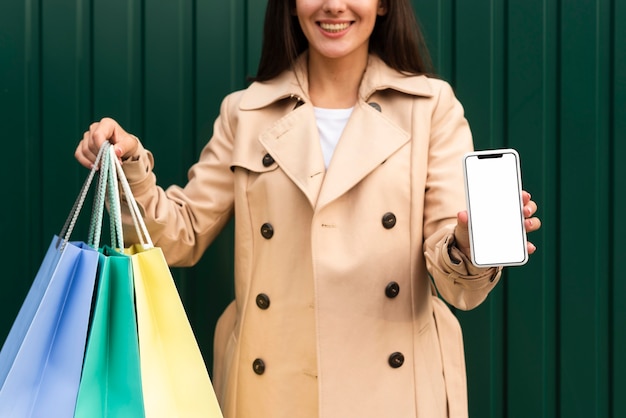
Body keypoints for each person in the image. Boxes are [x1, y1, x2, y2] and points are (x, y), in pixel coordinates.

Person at [75, 0, 541, 416]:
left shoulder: (430, 107)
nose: (334, 6)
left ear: (383, 5)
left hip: (396, 389)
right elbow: (183, 234)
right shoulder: (246, 112)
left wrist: (467, 239)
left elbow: (453, 274)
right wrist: (129, 163)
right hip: (271, 387)